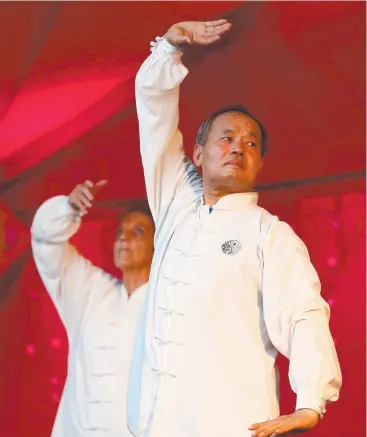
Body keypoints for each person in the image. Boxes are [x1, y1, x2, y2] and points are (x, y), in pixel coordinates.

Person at [126, 19, 342, 437]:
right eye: (226, 138)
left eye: (250, 143)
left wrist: (312, 400)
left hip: (229, 427)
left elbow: (304, 313)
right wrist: (168, 49)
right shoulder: (173, 202)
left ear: (260, 164)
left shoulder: (270, 234)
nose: (238, 148)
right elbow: (153, 120)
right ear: (198, 152)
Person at [31, 180, 154, 437]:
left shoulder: (170, 305)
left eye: (138, 231)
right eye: (120, 231)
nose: (124, 237)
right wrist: (69, 208)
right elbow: (45, 242)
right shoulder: (92, 291)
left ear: (158, 244)